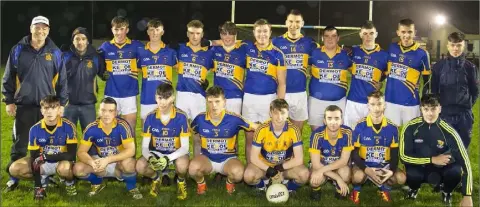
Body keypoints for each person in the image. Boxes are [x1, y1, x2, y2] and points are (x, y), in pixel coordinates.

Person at [2, 15, 68, 191]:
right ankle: (13, 177)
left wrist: (61, 104)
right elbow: (8, 76)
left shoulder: (55, 52)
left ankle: (47, 175)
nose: (41, 31)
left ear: (48, 30)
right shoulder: (18, 50)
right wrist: (9, 101)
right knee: (20, 143)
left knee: (48, 143)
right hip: (24, 106)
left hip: (48, 109)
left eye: (44, 28)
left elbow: (62, 80)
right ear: (31, 28)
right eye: (37, 27)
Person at [400, 94, 473, 207]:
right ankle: (414, 188)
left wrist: (467, 195)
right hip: (420, 167)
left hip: (441, 169)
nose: (430, 113)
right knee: (411, 174)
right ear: (421, 109)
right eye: (426, 109)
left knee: (456, 172)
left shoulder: (449, 131)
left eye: (433, 109)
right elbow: (404, 156)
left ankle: (446, 191)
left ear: (440, 109)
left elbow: (465, 161)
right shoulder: (410, 127)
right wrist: (431, 159)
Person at [189, 86, 257, 195]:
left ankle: (229, 183)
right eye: (210, 102)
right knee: (192, 168)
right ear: (206, 102)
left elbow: (256, 127)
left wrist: (276, 125)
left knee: (238, 173)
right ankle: (201, 184)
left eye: (217, 101)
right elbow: (193, 133)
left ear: (224, 102)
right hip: (207, 158)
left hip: (227, 159)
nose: (214, 106)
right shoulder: (200, 119)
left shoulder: (234, 119)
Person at [8, 95, 77, 200]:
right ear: (41, 110)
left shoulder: (68, 126)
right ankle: (44, 179)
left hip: (62, 161)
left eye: (53, 108)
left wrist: (46, 156)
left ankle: (69, 182)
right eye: (46, 108)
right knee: (14, 169)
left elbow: (71, 155)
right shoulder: (34, 129)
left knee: (64, 169)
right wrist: (37, 186)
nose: (49, 112)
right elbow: (34, 157)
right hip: (42, 161)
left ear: (59, 110)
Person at [72, 97, 143, 199]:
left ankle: (131, 186)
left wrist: (108, 159)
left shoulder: (122, 126)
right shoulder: (91, 128)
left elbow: (131, 150)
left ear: (116, 113)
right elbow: (81, 152)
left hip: (119, 163)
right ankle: (97, 182)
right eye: (103, 110)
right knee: (78, 169)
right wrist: (92, 163)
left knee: (130, 164)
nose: (106, 114)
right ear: (98, 111)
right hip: (101, 163)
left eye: (110, 111)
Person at [242, 19, 287, 163]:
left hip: (269, 99)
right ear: (254, 33)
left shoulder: (278, 54)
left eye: (265, 31)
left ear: (270, 33)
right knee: (249, 137)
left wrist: (279, 106)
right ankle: (251, 169)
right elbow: (227, 43)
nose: (262, 34)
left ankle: (271, 169)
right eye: (259, 31)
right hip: (249, 98)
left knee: (269, 137)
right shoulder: (247, 48)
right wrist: (211, 43)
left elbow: (282, 83)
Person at [350, 90, 406, 204]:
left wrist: (391, 171)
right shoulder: (359, 126)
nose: (376, 108)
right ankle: (356, 190)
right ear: (368, 106)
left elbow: (395, 154)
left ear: (384, 105)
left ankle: (384, 189)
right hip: (364, 165)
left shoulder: (392, 127)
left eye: (379, 104)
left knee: (401, 178)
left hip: (383, 166)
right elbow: (354, 153)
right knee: (357, 177)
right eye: (373, 104)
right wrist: (366, 169)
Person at [135, 84, 190, 200]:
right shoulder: (149, 117)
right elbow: (144, 147)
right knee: (140, 166)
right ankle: (156, 179)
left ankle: (181, 181)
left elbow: (185, 147)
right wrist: (150, 158)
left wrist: (168, 158)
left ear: (173, 98)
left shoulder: (181, 117)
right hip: (157, 152)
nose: (163, 102)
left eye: (167, 98)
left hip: (176, 152)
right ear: (155, 98)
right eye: (160, 98)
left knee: (182, 165)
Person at [243, 99, 309, 193]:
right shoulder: (261, 129)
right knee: (248, 175)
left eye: (283, 113)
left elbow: (299, 159)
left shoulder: (294, 130)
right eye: (276, 113)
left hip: (285, 167)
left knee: (304, 174)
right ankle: (262, 186)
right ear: (270, 113)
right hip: (265, 167)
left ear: (287, 114)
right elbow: (253, 157)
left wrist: (280, 168)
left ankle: (288, 188)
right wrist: (270, 170)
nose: (279, 117)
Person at [431, 32, 479, 149]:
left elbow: (475, 91)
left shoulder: (470, 68)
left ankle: (461, 168)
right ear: (447, 46)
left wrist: (466, 105)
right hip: (444, 114)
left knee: (462, 149)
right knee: (443, 148)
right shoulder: (439, 66)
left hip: (464, 116)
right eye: (452, 45)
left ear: (464, 46)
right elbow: (434, 90)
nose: (455, 48)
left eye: (459, 45)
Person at [98, 16, 144, 138]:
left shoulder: (136, 46)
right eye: (116, 29)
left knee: (130, 130)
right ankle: (113, 156)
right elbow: (95, 63)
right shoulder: (105, 47)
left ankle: (130, 157)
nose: (119, 33)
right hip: (111, 93)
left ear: (127, 30)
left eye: (122, 29)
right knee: (109, 129)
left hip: (130, 94)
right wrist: (101, 73)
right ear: (112, 30)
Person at [272, 9, 318, 132]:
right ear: (286, 22)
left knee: (297, 134)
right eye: (291, 21)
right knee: (277, 131)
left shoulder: (310, 43)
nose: (294, 25)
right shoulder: (276, 42)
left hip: (300, 93)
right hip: (280, 92)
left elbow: (324, 54)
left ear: (302, 23)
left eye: (297, 22)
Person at [174, 20, 214, 156]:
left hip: (199, 97)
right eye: (191, 33)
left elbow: (215, 70)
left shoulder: (209, 52)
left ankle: (196, 166)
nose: (194, 37)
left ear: (202, 34)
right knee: (181, 135)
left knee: (198, 135)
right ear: (187, 33)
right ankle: (183, 167)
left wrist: (206, 82)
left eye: (197, 33)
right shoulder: (179, 49)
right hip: (182, 96)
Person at [384, 18, 431, 126]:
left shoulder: (422, 54)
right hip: (390, 101)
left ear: (415, 33)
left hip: (411, 104)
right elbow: (384, 69)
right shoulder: (392, 48)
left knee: (413, 136)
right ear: (398, 33)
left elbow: (427, 82)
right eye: (403, 32)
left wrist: (424, 102)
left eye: (409, 32)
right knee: (390, 136)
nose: (406, 35)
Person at [63, 27, 106, 142]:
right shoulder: (65, 57)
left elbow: (104, 74)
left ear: (87, 41)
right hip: (68, 104)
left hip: (88, 105)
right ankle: (69, 159)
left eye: (83, 39)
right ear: (73, 41)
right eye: (77, 39)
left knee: (90, 137)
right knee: (68, 137)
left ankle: (90, 159)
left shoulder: (96, 57)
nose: (80, 42)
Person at [344, 21, 388, 129]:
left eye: (371, 33)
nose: (368, 37)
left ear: (376, 34)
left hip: (372, 102)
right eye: (365, 33)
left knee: (370, 135)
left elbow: (386, 73)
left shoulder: (384, 55)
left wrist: (380, 83)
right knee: (350, 133)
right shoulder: (353, 51)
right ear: (360, 34)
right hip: (353, 101)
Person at [308, 25, 352, 131]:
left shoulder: (346, 55)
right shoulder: (314, 53)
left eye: (333, 36)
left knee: (338, 135)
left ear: (338, 38)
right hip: (316, 101)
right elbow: (304, 67)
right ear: (322, 38)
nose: (330, 39)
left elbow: (357, 71)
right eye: (327, 36)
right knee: (317, 134)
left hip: (339, 101)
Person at [309, 105, 353, 200]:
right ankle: (316, 189)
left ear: (342, 120)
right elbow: (316, 165)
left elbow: (343, 161)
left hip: (339, 166)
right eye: (329, 118)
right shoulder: (317, 135)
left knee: (345, 173)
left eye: (337, 118)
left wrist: (339, 177)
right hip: (321, 165)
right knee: (314, 178)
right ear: (324, 121)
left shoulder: (348, 132)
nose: (333, 122)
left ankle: (339, 189)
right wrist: (338, 178)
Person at [137, 19, 177, 122]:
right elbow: (134, 71)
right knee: (146, 131)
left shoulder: (171, 52)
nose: (154, 33)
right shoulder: (140, 52)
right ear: (147, 32)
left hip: (166, 98)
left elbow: (182, 71)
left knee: (166, 133)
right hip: (147, 98)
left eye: (157, 30)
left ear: (162, 32)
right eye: (151, 30)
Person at [211, 21, 248, 115]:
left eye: (230, 34)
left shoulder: (243, 49)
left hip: (235, 97)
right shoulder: (214, 50)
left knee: (232, 127)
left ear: (235, 34)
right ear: (220, 35)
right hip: (217, 97)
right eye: (224, 34)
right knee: (217, 126)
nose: (227, 37)